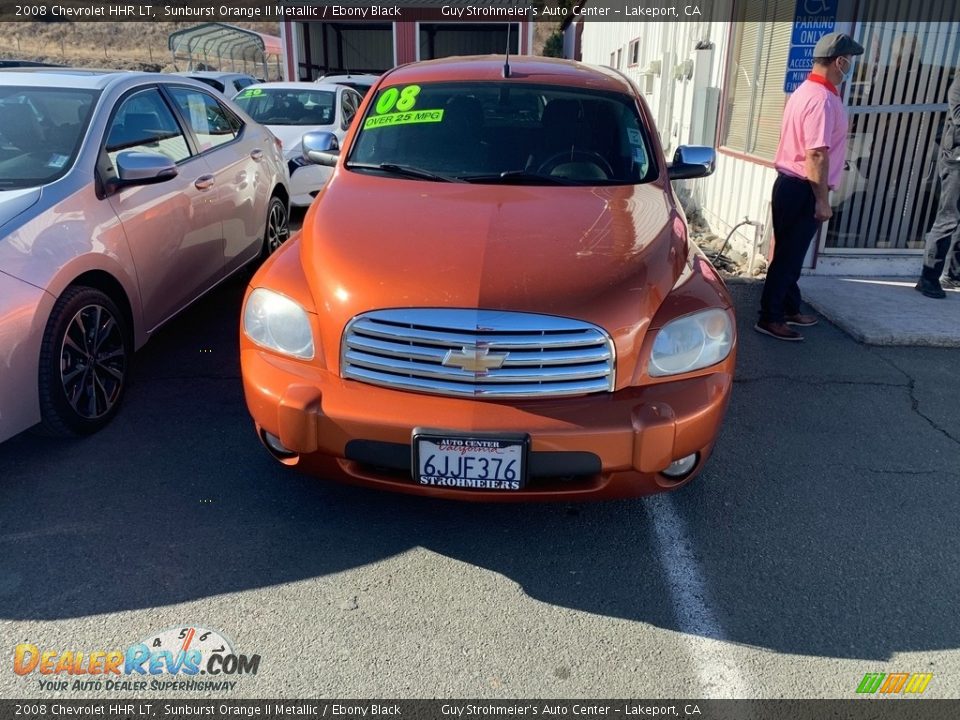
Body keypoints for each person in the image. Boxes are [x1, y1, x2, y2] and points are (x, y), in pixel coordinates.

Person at [756, 32, 864, 341]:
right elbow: (816, 153)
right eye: (849, 61)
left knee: (792, 252)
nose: (850, 67)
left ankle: (789, 307)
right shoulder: (821, 100)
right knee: (789, 256)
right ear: (839, 61)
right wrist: (822, 200)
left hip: (792, 185)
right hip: (804, 187)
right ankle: (770, 317)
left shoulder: (805, 91)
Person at [916, 70, 960, 299]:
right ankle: (928, 277)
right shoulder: (958, 85)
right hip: (956, 160)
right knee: (948, 217)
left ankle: (953, 274)